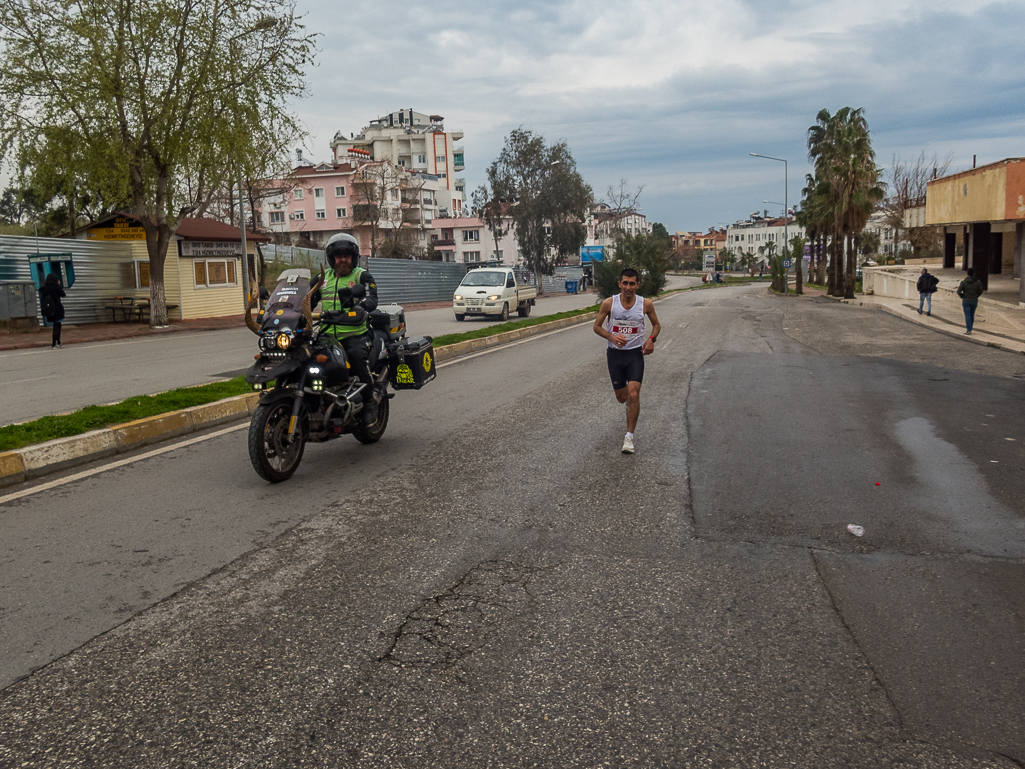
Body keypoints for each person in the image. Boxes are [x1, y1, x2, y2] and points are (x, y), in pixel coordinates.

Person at [592, 268, 661, 454]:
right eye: (625, 283)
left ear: (637, 285)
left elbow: (656, 325)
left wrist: (651, 340)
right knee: (622, 397)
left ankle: (629, 437)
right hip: (615, 355)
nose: (628, 287)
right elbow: (596, 327)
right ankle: (629, 409)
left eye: (632, 284)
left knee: (633, 394)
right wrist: (612, 337)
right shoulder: (609, 304)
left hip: (634, 355)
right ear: (619, 284)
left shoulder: (645, 304)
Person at [313, 233, 380, 425]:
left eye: (347, 255)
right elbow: (307, 300)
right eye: (338, 255)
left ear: (354, 257)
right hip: (327, 336)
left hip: (356, 334)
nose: (343, 259)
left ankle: (369, 403)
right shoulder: (322, 279)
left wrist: (361, 307)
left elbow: (372, 298)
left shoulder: (361, 276)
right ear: (331, 258)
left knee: (356, 356)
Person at [39, 272, 66, 349]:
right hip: (57, 309)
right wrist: (58, 285)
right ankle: (55, 343)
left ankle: (58, 342)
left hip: (49, 309)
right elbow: (63, 294)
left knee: (56, 325)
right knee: (57, 326)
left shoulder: (43, 289)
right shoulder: (56, 288)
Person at [956, 267, 984, 335]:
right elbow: (981, 291)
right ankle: (970, 327)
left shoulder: (964, 282)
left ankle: (969, 330)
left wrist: (962, 296)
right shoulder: (978, 282)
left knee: (967, 315)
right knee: (972, 315)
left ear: (967, 273)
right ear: (974, 273)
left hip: (966, 300)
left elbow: (959, 291)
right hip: (974, 300)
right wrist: (976, 296)